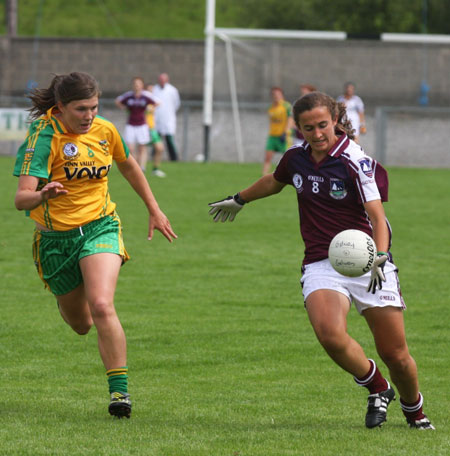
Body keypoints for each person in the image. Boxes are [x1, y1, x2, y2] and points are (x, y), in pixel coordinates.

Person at [208, 91, 434, 430]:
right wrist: (240, 199)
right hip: (322, 260)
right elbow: (275, 181)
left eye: (323, 126)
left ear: (335, 122)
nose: (317, 134)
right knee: (329, 334)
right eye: (308, 128)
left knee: (396, 355)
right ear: (298, 128)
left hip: (370, 260)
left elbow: (377, 216)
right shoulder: (295, 157)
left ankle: (414, 410)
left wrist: (380, 258)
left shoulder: (354, 160)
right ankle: (378, 387)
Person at [13, 72, 177, 419]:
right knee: (82, 324)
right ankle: (70, 298)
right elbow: (21, 199)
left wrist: (154, 208)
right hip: (56, 241)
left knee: (102, 304)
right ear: (60, 108)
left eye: (94, 107)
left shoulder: (104, 130)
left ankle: (120, 393)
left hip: (101, 225)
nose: (89, 115)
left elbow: (128, 164)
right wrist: (42, 193)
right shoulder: (44, 137)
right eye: (81, 109)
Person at [115, 76, 162, 174]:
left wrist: (150, 108)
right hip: (131, 124)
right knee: (130, 148)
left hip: (142, 124)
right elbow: (118, 101)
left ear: (142, 85)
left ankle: (142, 167)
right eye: (135, 84)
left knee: (142, 147)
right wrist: (123, 107)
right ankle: (135, 166)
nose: (137, 86)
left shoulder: (145, 96)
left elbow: (158, 102)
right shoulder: (129, 96)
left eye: (138, 84)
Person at [262, 87, 294, 175]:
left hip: (283, 135)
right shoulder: (271, 107)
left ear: (282, 95)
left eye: (278, 94)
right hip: (272, 135)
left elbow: (290, 119)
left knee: (288, 157)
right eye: (274, 94)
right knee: (268, 157)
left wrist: (286, 131)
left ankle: (291, 174)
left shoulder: (286, 106)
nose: (276, 96)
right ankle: (263, 175)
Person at [153, 73, 180, 161]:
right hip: (157, 119)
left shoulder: (172, 90)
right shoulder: (154, 89)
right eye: (160, 80)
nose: (162, 82)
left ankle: (173, 158)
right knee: (156, 139)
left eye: (163, 80)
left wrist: (169, 112)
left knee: (169, 140)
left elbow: (176, 103)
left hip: (168, 118)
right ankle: (154, 158)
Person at [145, 83, 166, 177]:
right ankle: (142, 169)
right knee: (143, 149)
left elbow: (159, 102)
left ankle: (155, 169)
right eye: (149, 90)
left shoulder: (151, 101)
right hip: (145, 128)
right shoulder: (143, 102)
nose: (151, 93)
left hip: (152, 128)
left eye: (152, 91)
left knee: (159, 148)